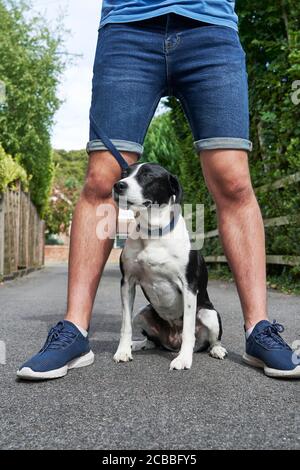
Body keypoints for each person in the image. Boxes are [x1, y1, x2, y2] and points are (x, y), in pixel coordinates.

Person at [17, 1, 299, 380]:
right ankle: (75, 330)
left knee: (233, 181)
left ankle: (258, 328)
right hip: (128, 27)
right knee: (102, 179)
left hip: (211, 27)